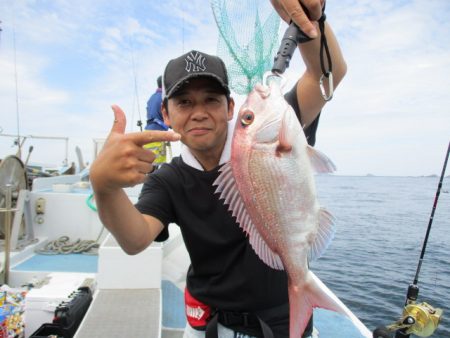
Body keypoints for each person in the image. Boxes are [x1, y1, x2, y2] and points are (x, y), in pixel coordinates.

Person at [90, 0, 346, 337]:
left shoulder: (268, 134)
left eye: (211, 99)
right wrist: (104, 186)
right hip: (210, 325)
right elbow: (135, 239)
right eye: (184, 102)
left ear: (230, 107)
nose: (198, 112)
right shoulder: (169, 179)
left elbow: (327, 74)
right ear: (166, 115)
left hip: (283, 319)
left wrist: (314, 19)